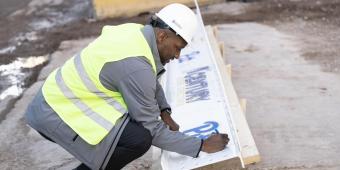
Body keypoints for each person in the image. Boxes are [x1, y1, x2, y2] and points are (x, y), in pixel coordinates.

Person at [25, 3, 229, 170]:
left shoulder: (136, 33)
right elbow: (152, 128)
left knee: (134, 123)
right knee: (139, 139)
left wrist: (164, 110)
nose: (177, 56)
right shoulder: (135, 65)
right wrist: (201, 145)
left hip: (57, 101)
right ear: (162, 36)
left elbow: (149, 76)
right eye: (177, 48)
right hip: (55, 115)